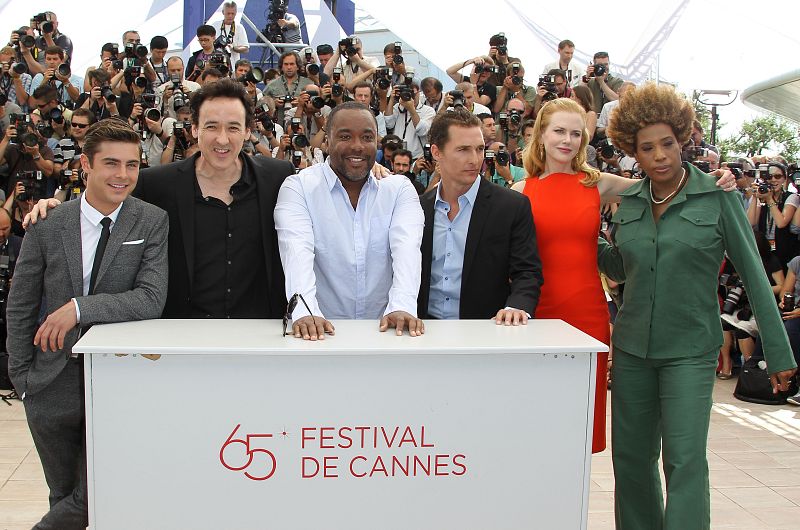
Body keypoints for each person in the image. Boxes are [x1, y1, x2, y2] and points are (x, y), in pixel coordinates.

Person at [600, 82, 796, 529]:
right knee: (631, 461)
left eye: (667, 143)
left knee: (685, 462)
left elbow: (754, 275)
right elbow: (621, 265)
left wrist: (780, 354)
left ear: (683, 138)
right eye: (646, 148)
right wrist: (583, 236)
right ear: (633, 151)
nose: (660, 155)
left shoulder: (718, 195)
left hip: (690, 351)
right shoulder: (628, 202)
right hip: (631, 352)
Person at [512, 97, 736, 454]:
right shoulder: (521, 192)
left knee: (579, 427)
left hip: (586, 315)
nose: (566, 140)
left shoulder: (596, 184)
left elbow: (664, 186)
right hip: (537, 314)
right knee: (536, 422)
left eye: (575, 133)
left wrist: (713, 178)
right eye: (558, 131)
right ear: (540, 135)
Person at [6, 119, 169, 530]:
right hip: (47, 382)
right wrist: (22, 376)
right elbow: (21, 303)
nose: (123, 175)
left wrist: (78, 308)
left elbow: (150, 298)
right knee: (64, 495)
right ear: (85, 165)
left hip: (115, 379)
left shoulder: (151, 221)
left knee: (96, 491)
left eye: (132, 165)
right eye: (112, 163)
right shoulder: (48, 222)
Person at [27, 78, 295, 320]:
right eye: (211, 126)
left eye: (233, 128)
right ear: (193, 129)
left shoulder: (277, 177)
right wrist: (57, 207)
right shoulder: (155, 183)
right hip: (177, 335)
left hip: (259, 332)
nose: (222, 139)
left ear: (248, 131)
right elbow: (105, 204)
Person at [274, 102, 424, 340]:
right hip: (320, 338)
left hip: (386, 335)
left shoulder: (398, 190)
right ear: (326, 141)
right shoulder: (299, 187)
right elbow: (296, 251)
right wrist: (306, 312)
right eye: (345, 136)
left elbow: (407, 251)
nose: (357, 146)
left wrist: (402, 306)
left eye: (367, 137)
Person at [418, 109, 542, 323]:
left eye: (479, 149)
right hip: (423, 332)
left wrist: (516, 307)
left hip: (486, 332)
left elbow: (527, 272)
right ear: (437, 152)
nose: (475, 159)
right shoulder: (418, 209)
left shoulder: (511, 206)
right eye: (463, 150)